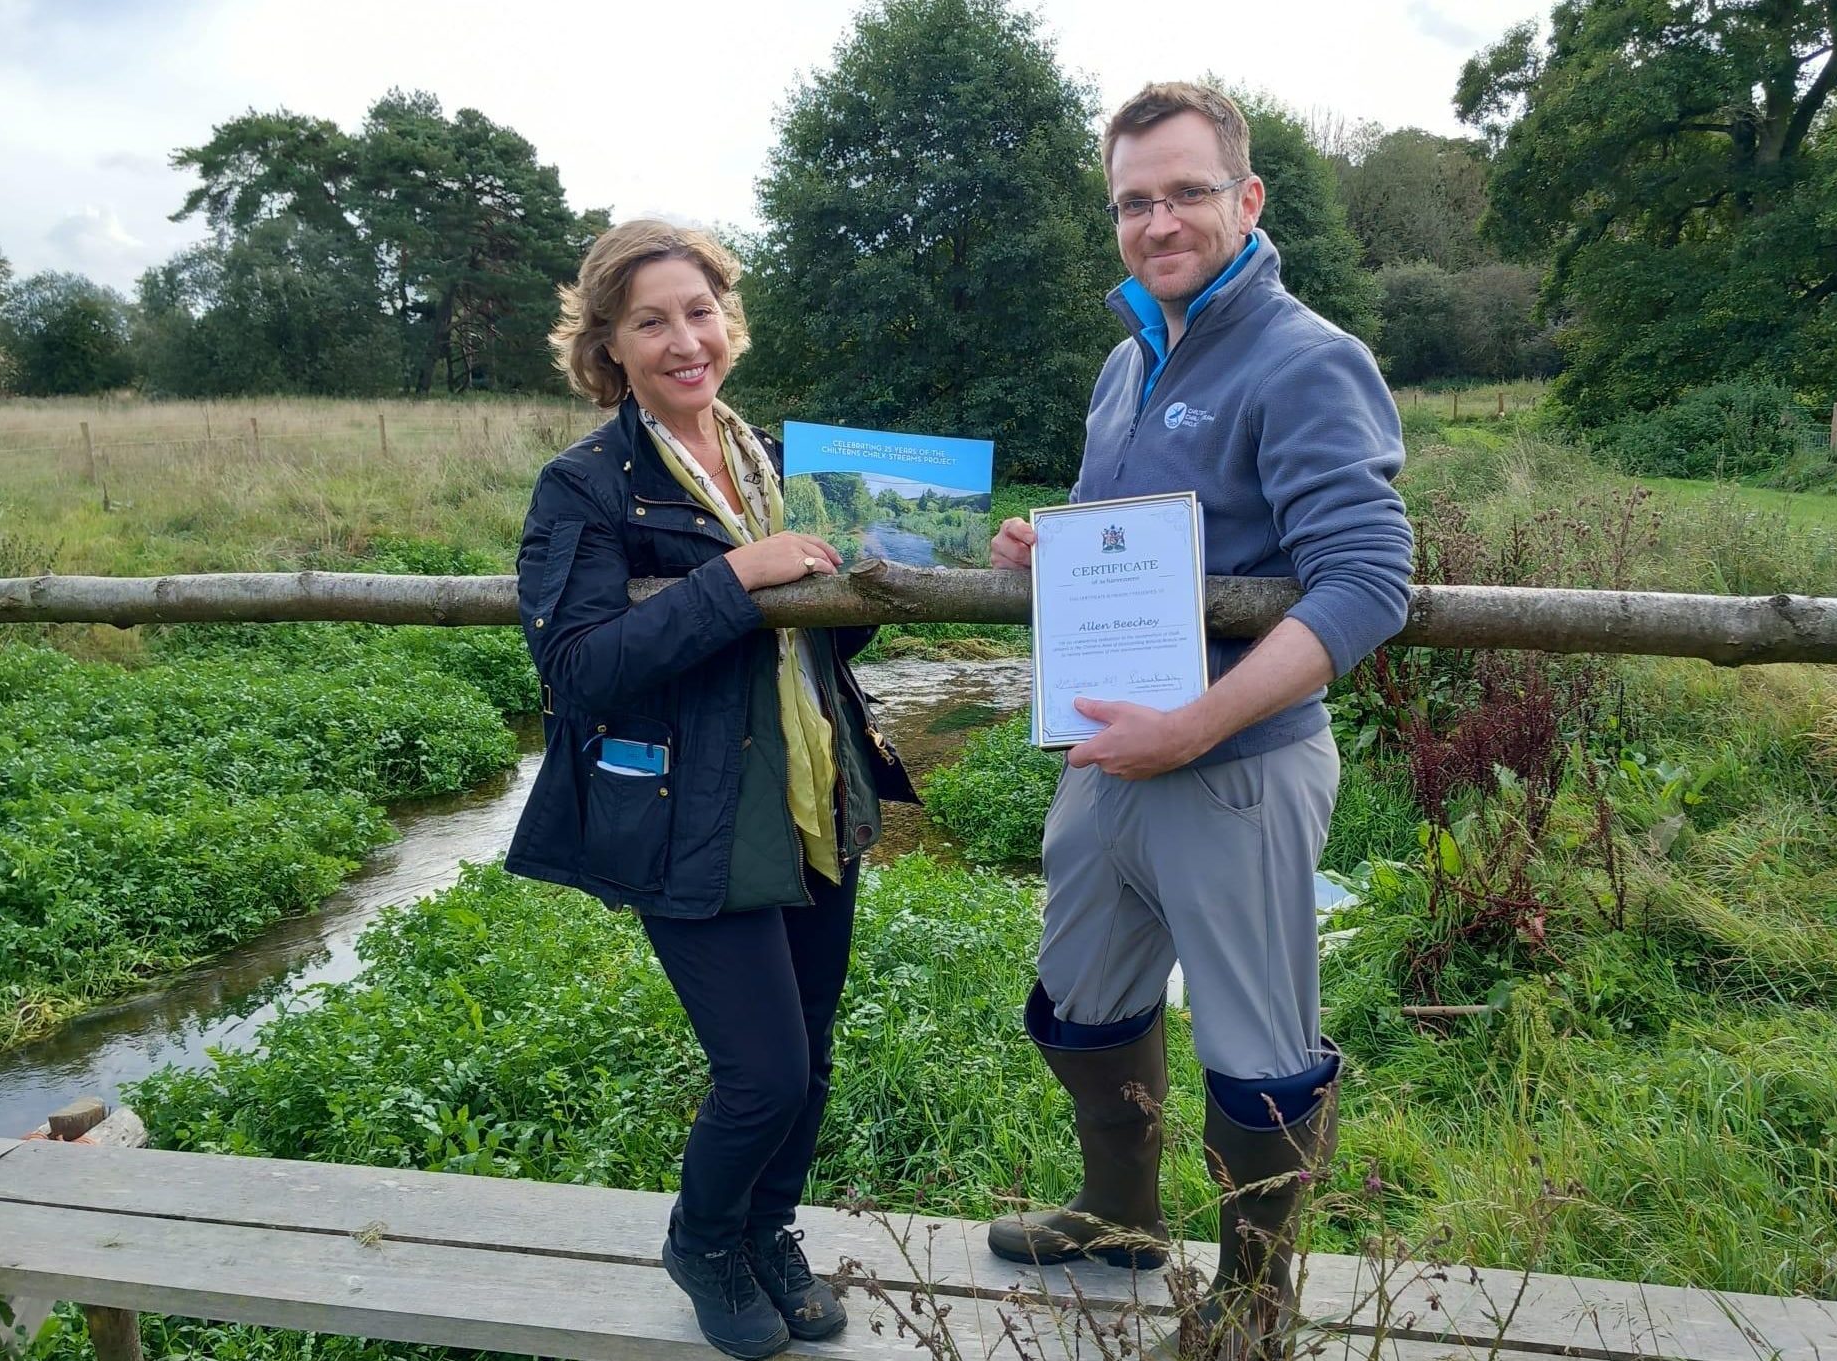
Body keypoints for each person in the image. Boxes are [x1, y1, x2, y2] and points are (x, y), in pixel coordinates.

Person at [983, 83, 1413, 1353]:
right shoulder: (1125, 365)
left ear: (1245, 198)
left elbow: (1367, 580)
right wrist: (1040, 549)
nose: (1156, 219)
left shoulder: (1307, 358)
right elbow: (1121, 542)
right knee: (1081, 999)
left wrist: (1194, 725)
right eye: (1131, 200)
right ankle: (1119, 1215)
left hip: (1235, 771)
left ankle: (1255, 1302)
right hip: (1106, 759)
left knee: (1254, 1042)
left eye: (1182, 191)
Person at [505, 219, 916, 1360]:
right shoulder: (586, 484)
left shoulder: (779, 463)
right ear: (609, 345)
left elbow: (822, 644)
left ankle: (765, 1229)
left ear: (727, 320)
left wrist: (861, 587)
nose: (685, 339)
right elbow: (577, 664)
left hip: (810, 791)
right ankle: (702, 1240)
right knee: (763, 1070)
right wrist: (739, 575)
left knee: (814, 1050)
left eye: (700, 311)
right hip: (690, 816)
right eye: (651, 321)